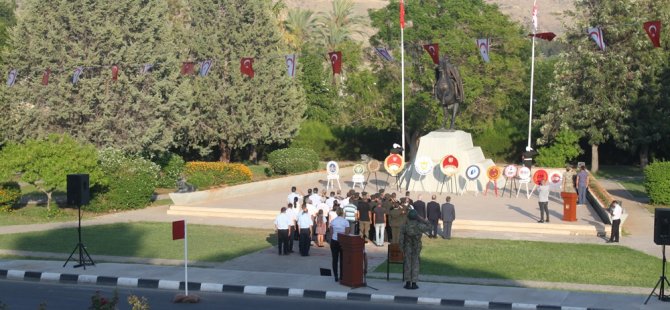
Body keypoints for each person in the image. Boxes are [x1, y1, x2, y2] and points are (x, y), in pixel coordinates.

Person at [399, 209, 430, 290]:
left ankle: (407, 283)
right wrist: (422, 219)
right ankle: (414, 283)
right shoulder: (419, 226)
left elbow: (401, 239)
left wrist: (401, 248)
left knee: (407, 264)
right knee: (415, 263)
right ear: (416, 217)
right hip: (416, 247)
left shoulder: (404, 226)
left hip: (407, 247)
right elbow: (430, 226)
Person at [329, 208, 350, 282]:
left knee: (334, 259)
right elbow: (347, 233)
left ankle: (335, 275)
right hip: (343, 241)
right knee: (342, 259)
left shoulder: (333, 221)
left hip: (334, 240)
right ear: (342, 213)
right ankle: (342, 275)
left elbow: (331, 233)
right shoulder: (346, 222)